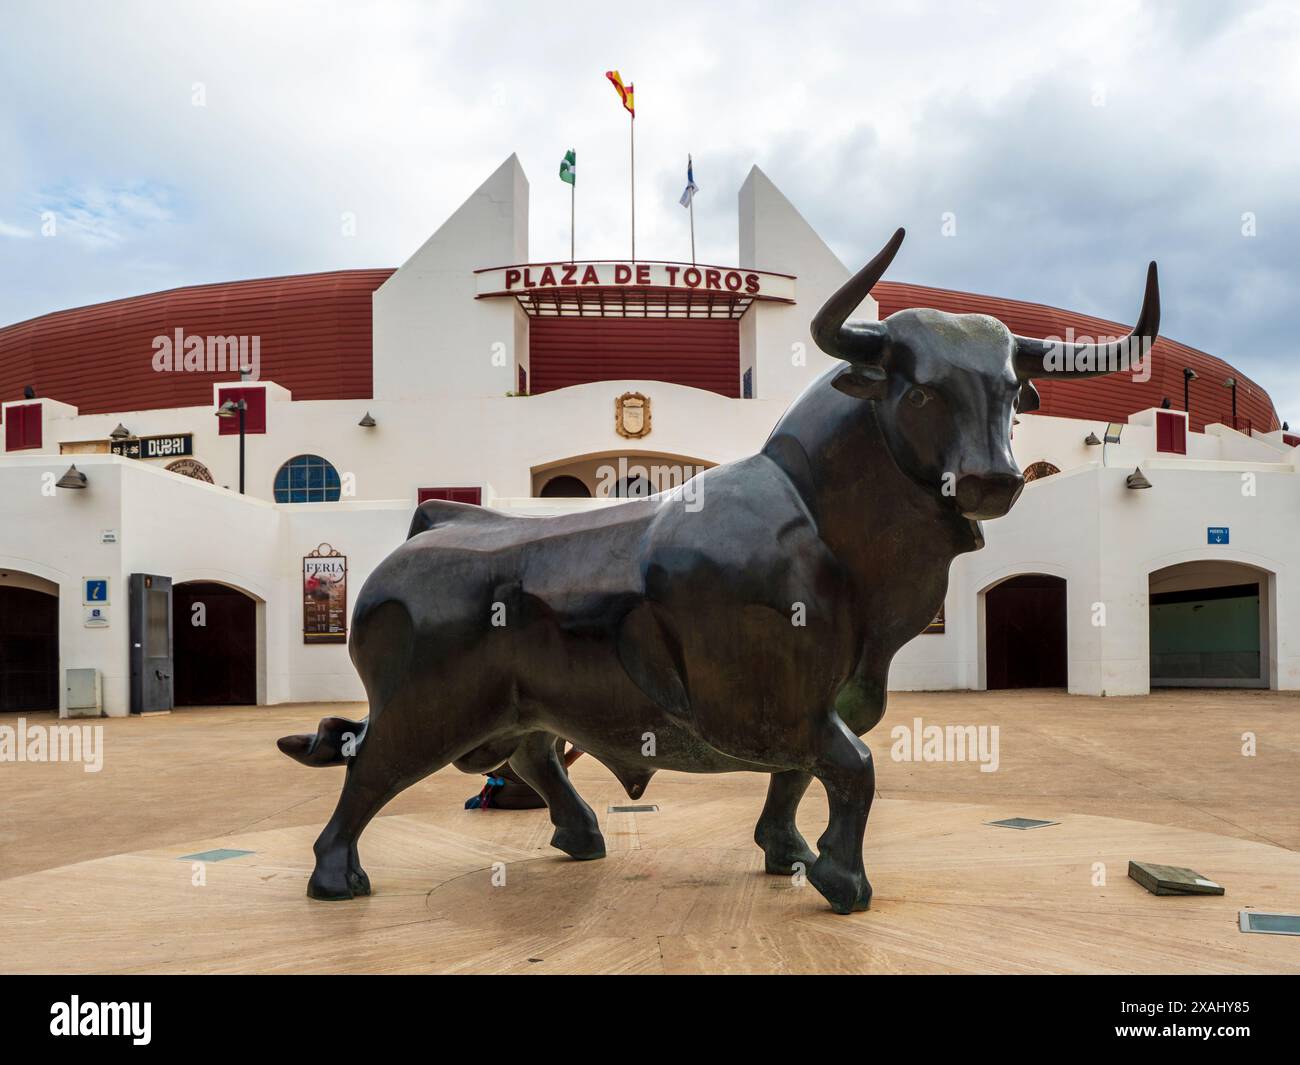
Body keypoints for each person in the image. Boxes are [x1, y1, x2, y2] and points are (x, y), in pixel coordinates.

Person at [464, 739, 584, 810]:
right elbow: (581, 745)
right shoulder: (554, 713)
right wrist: (560, 767)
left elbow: (478, 765)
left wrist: (489, 770)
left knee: (469, 804)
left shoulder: (499, 716)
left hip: (508, 800)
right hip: (555, 797)